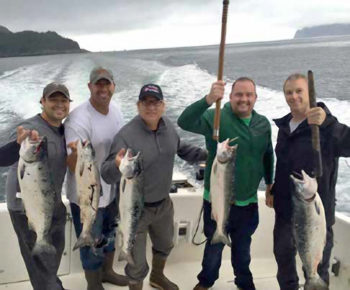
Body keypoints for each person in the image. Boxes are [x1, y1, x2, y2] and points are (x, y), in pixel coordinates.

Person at [101, 83, 208, 290]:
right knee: (135, 262)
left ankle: (157, 277)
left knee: (165, 244)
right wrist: (116, 165)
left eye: (156, 103)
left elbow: (182, 149)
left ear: (163, 106)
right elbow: (106, 174)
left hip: (164, 204)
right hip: (134, 210)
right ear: (138, 105)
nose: (151, 108)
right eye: (146, 103)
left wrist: (210, 155)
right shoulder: (126, 135)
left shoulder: (167, 126)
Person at [177, 78, 274, 290]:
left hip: (247, 203)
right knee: (213, 248)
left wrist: (270, 183)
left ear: (255, 98)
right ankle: (205, 282)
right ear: (230, 97)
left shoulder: (263, 124)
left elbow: (268, 155)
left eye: (249, 95)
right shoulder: (217, 116)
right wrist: (209, 99)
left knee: (243, 250)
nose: (244, 99)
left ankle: (244, 282)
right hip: (217, 201)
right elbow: (184, 122)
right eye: (239, 94)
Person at [266, 73, 350, 290]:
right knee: (283, 260)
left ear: (310, 94)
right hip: (285, 211)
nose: (293, 96)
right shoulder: (284, 128)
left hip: (316, 213)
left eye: (299, 91)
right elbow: (283, 164)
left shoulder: (326, 126)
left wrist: (329, 124)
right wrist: (273, 188)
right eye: (289, 92)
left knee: (316, 266)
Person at [64, 66, 127, 290]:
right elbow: (71, 166)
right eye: (98, 84)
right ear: (90, 87)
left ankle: (108, 272)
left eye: (107, 83)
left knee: (109, 234)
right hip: (86, 195)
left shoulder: (117, 111)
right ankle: (93, 284)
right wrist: (75, 155)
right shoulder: (78, 119)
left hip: (112, 188)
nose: (103, 88)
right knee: (91, 239)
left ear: (113, 87)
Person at [5, 82, 72, 290]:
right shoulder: (28, 129)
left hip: (53, 202)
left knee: (52, 254)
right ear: (42, 102)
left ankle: (50, 282)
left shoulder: (65, 130)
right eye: (53, 99)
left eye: (63, 100)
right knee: (41, 265)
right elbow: (2, 157)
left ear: (69, 104)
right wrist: (17, 144)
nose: (59, 105)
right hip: (27, 207)